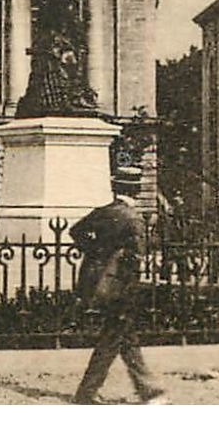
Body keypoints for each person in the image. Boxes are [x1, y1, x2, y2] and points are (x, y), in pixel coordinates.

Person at [69, 165, 167, 405]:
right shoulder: (133, 219)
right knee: (114, 338)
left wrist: (96, 253)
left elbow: (76, 231)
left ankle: (149, 390)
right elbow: (138, 256)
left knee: (124, 338)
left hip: (98, 284)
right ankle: (87, 393)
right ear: (136, 190)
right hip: (121, 287)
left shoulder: (103, 212)